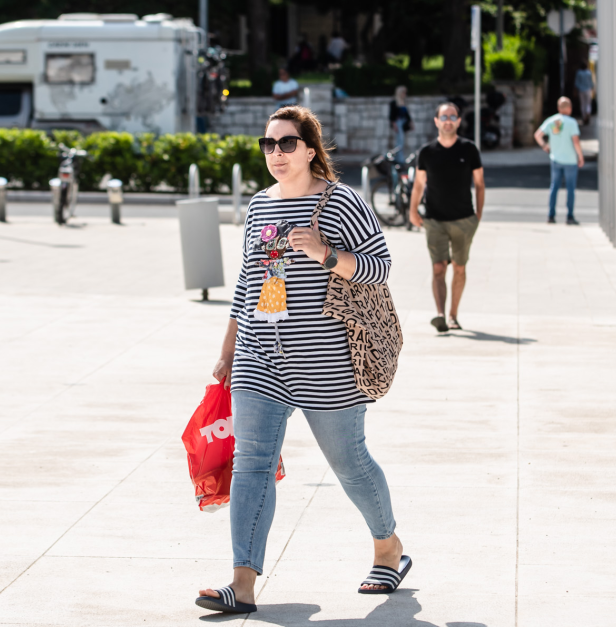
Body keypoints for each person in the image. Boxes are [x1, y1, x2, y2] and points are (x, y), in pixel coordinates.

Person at [197, 105, 410, 615]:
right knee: (251, 464)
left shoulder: (341, 203)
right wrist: (229, 348)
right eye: (268, 144)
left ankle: (388, 548)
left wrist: (324, 254)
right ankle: (242, 583)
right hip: (258, 356)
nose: (276, 153)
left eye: (286, 143)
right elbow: (250, 281)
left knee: (349, 463)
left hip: (327, 361)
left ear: (310, 149)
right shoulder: (259, 206)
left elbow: (379, 268)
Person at [408, 102, 484, 333]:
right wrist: (413, 211)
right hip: (434, 220)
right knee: (439, 267)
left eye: (453, 116)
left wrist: (477, 216)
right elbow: (419, 185)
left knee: (459, 267)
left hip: (463, 220)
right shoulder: (427, 152)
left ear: (459, 121)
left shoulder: (469, 149)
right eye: (444, 116)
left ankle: (453, 315)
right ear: (436, 121)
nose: (448, 120)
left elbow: (480, 185)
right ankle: (440, 315)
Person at [534, 97, 585, 225]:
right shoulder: (572, 122)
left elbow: (537, 135)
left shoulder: (551, 121)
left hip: (556, 159)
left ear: (558, 108)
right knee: (570, 189)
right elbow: (576, 142)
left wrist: (544, 146)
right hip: (570, 160)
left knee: (554, 187)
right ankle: (570, 216)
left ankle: (551, 216)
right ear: (569, 108)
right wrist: (580, 156)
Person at [388, 85, 412, 162]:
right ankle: (399, 158)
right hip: (398, 123)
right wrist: (394, 124)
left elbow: (407, 115)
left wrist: (410, 122)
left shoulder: (403, 102)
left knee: (402, 141)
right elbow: (392, 116)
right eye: (403, 92)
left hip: (403, 123)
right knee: (399, 142)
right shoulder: (394, 102)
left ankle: (399, 158)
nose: (405, 94)